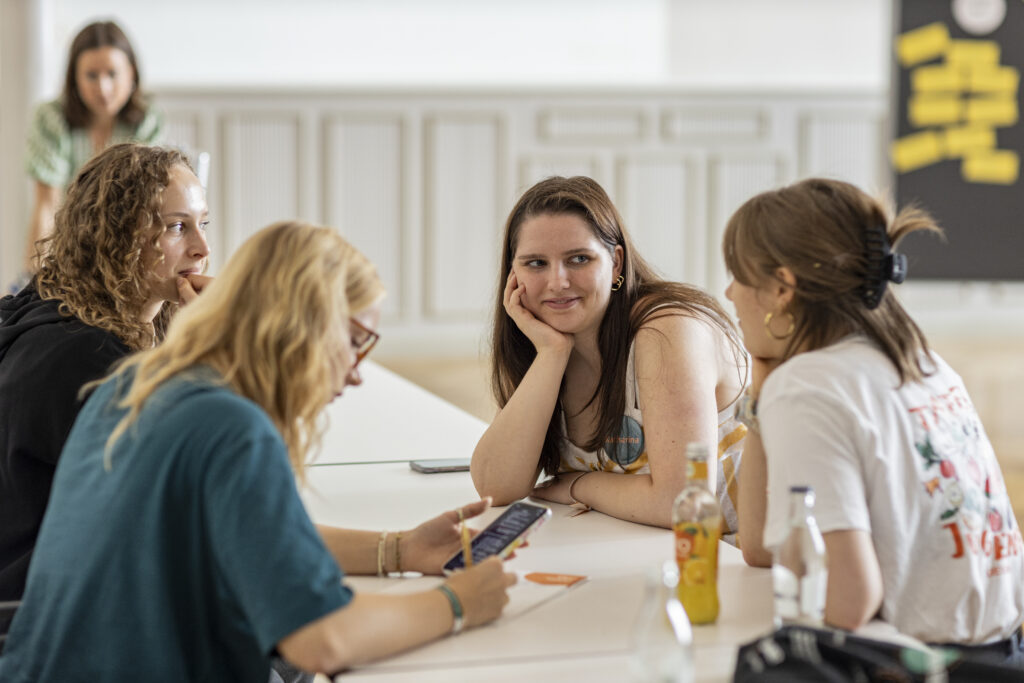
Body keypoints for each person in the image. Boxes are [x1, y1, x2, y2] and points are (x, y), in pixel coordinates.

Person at [0, 221, 516, 681]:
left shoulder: (136, 384)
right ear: (302, 324)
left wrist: (400, 550)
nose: (358, 370)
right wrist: (458, 602)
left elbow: (251, 540)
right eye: (356, 337)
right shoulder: (231, 426)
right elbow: (321, 639)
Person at [726, 178, 1024, 661]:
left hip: (927, 666)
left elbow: (850, 602)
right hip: (1003, 656)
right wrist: (763, 391)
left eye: (737, 274)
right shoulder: (921, 361)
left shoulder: (809, 386)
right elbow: (762, 545)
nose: (729, 292)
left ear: (782, 288)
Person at [0, 143, 210, 624]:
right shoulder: (89, 360)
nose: (202, 248)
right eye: (177, 227)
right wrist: (223, 347)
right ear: (114, 236)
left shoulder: (65, 314)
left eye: (203, 223)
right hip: (58, 621)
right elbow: (210, 499)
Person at [472, 176, 747, 530]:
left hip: (747, 560)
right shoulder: (543, 342)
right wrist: (552, 354)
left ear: (616, 263)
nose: (558, 282)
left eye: (579, 259)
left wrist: (578, 485)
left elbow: (683, 504)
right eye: (536, 263)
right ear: (513, 274)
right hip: (641, 553)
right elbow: (496, 487)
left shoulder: (668, 330)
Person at [21, 19, 163, 276]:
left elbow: (146, 207)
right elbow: (47, 204)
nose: (103, 88)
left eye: (112, 74)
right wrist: (36, 273)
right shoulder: (51, 120)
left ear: (131, 73)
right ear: (74, 78)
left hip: (126, 251)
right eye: (91, 75)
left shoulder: (147, 122)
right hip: (66, 252)